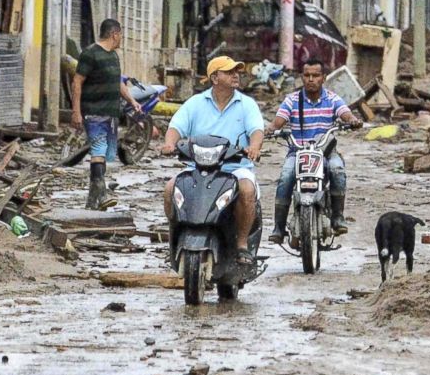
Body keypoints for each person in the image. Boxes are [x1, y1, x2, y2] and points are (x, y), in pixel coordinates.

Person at [161, 57, 266, 272]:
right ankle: (176, 237)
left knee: (246, 190)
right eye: (229, 72)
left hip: (235, 168)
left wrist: (254, 147)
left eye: (237, 71)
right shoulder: (195, 103)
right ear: (214, 77)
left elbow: (257, 130)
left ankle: (242, 245)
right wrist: (169, 143)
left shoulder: (246, 104)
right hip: (197, 167)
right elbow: (176, 127)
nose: (235, 75)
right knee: (170, 187)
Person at [267, 59, 363, 243]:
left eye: (316, 75)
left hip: (325, 152)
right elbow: (278, 121)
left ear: (323, 78)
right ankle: (279, 227)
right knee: (286, 176)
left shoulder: (332, 99)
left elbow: (346, 113)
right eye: (307, 75)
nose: (311, 79)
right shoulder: (292, 100)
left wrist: (352, 120)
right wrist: (271, 129)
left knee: (337, 170)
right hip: (298, 152)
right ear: (302, 77)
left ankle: (337, 217)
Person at [71, 18, 144, 211]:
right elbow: (77, 82)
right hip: (93, 112)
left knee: (105, 155)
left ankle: (91, 202)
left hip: (111, 114)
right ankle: (102, 195)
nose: (121, 39)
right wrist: (76, 111)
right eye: (120, 35)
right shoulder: (90, 54)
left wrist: (132, 101)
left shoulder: (113, 56)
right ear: (115, 34)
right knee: (99, 149)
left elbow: (117, 82)